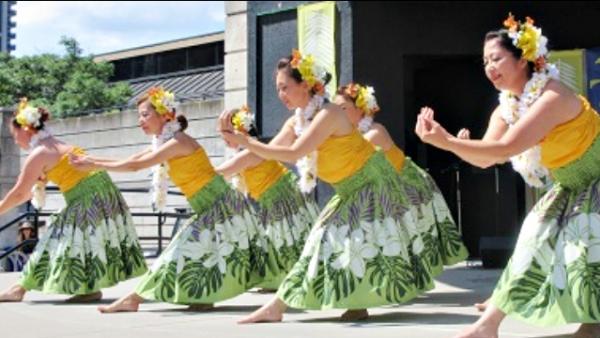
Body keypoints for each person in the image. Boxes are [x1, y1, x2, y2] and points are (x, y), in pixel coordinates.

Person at [221, 49, 445, 323]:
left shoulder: (328, 114)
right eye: (277, 88)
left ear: (305, 85)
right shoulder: (297, 120)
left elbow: (293, 153)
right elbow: (268, 151)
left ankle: (279, 308)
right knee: (325, 240)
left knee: (329, 238)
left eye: (284, 87)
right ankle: (338, 304)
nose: (281, 94)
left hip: (371, 182)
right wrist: (233, 156)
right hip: (349, 188)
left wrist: (245, 142)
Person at [415, 14, 600, 338]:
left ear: (524, 57)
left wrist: (449, 141)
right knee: (532, 240)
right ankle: (488, 328)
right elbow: (486, 157)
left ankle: (591, 326)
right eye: (485, 61)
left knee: (585, 251)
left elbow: (505, 148)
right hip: (570, 184)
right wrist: (450, 143)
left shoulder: (552, 96)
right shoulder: (505, 109)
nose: (489, 67)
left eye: (497, 58)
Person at [70, 87, 264, 313]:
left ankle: (134, 299)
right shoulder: (162, 143)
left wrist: (94, 165)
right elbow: (132, 158)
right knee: (192, 251)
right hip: (210, 205)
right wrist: (89, 159)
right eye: (139, 116)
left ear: (165, 115)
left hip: (220, 204)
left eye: (145, 115)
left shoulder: (177, 142)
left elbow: (135, 167)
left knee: (179, 250)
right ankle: (200, 297)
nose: (140, 121)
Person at [0, 98, 147, 303]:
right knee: (76, 240)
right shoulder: (54, 144)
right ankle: (87, 289)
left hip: (87, 194)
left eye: (15, 135)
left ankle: (20, 289)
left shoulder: (40, 152)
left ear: (26, 129)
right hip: (102, 189)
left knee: (58, 237)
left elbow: (20, 194)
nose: (15, 140)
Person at [216, 106, 320, 291]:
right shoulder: (251, 150)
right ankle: (283, 276)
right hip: (272, 199)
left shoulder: (249, 153)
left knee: (289, 238)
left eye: (226, 135)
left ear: (238, 133)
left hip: (281, 196)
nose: (224, 140)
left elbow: (220, 173)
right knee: (278, 240)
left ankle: (296, 275)